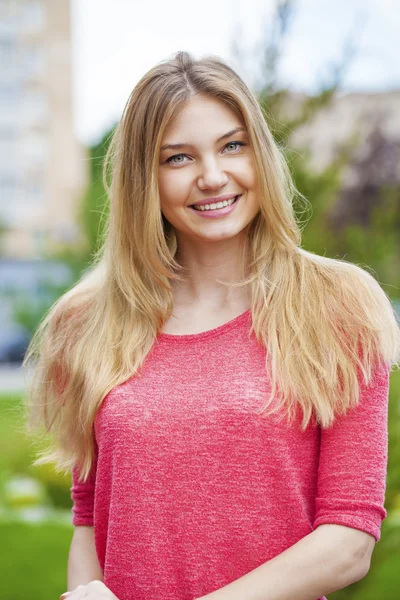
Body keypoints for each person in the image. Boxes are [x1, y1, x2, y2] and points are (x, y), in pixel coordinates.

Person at [23, 50, 400, 600]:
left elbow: (348, 540)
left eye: (232, 145)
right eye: (177, 158)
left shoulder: (338, 306)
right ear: (141, 179)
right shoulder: (83, 323)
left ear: (260, 154)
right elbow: (90, 521)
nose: (212, 176)